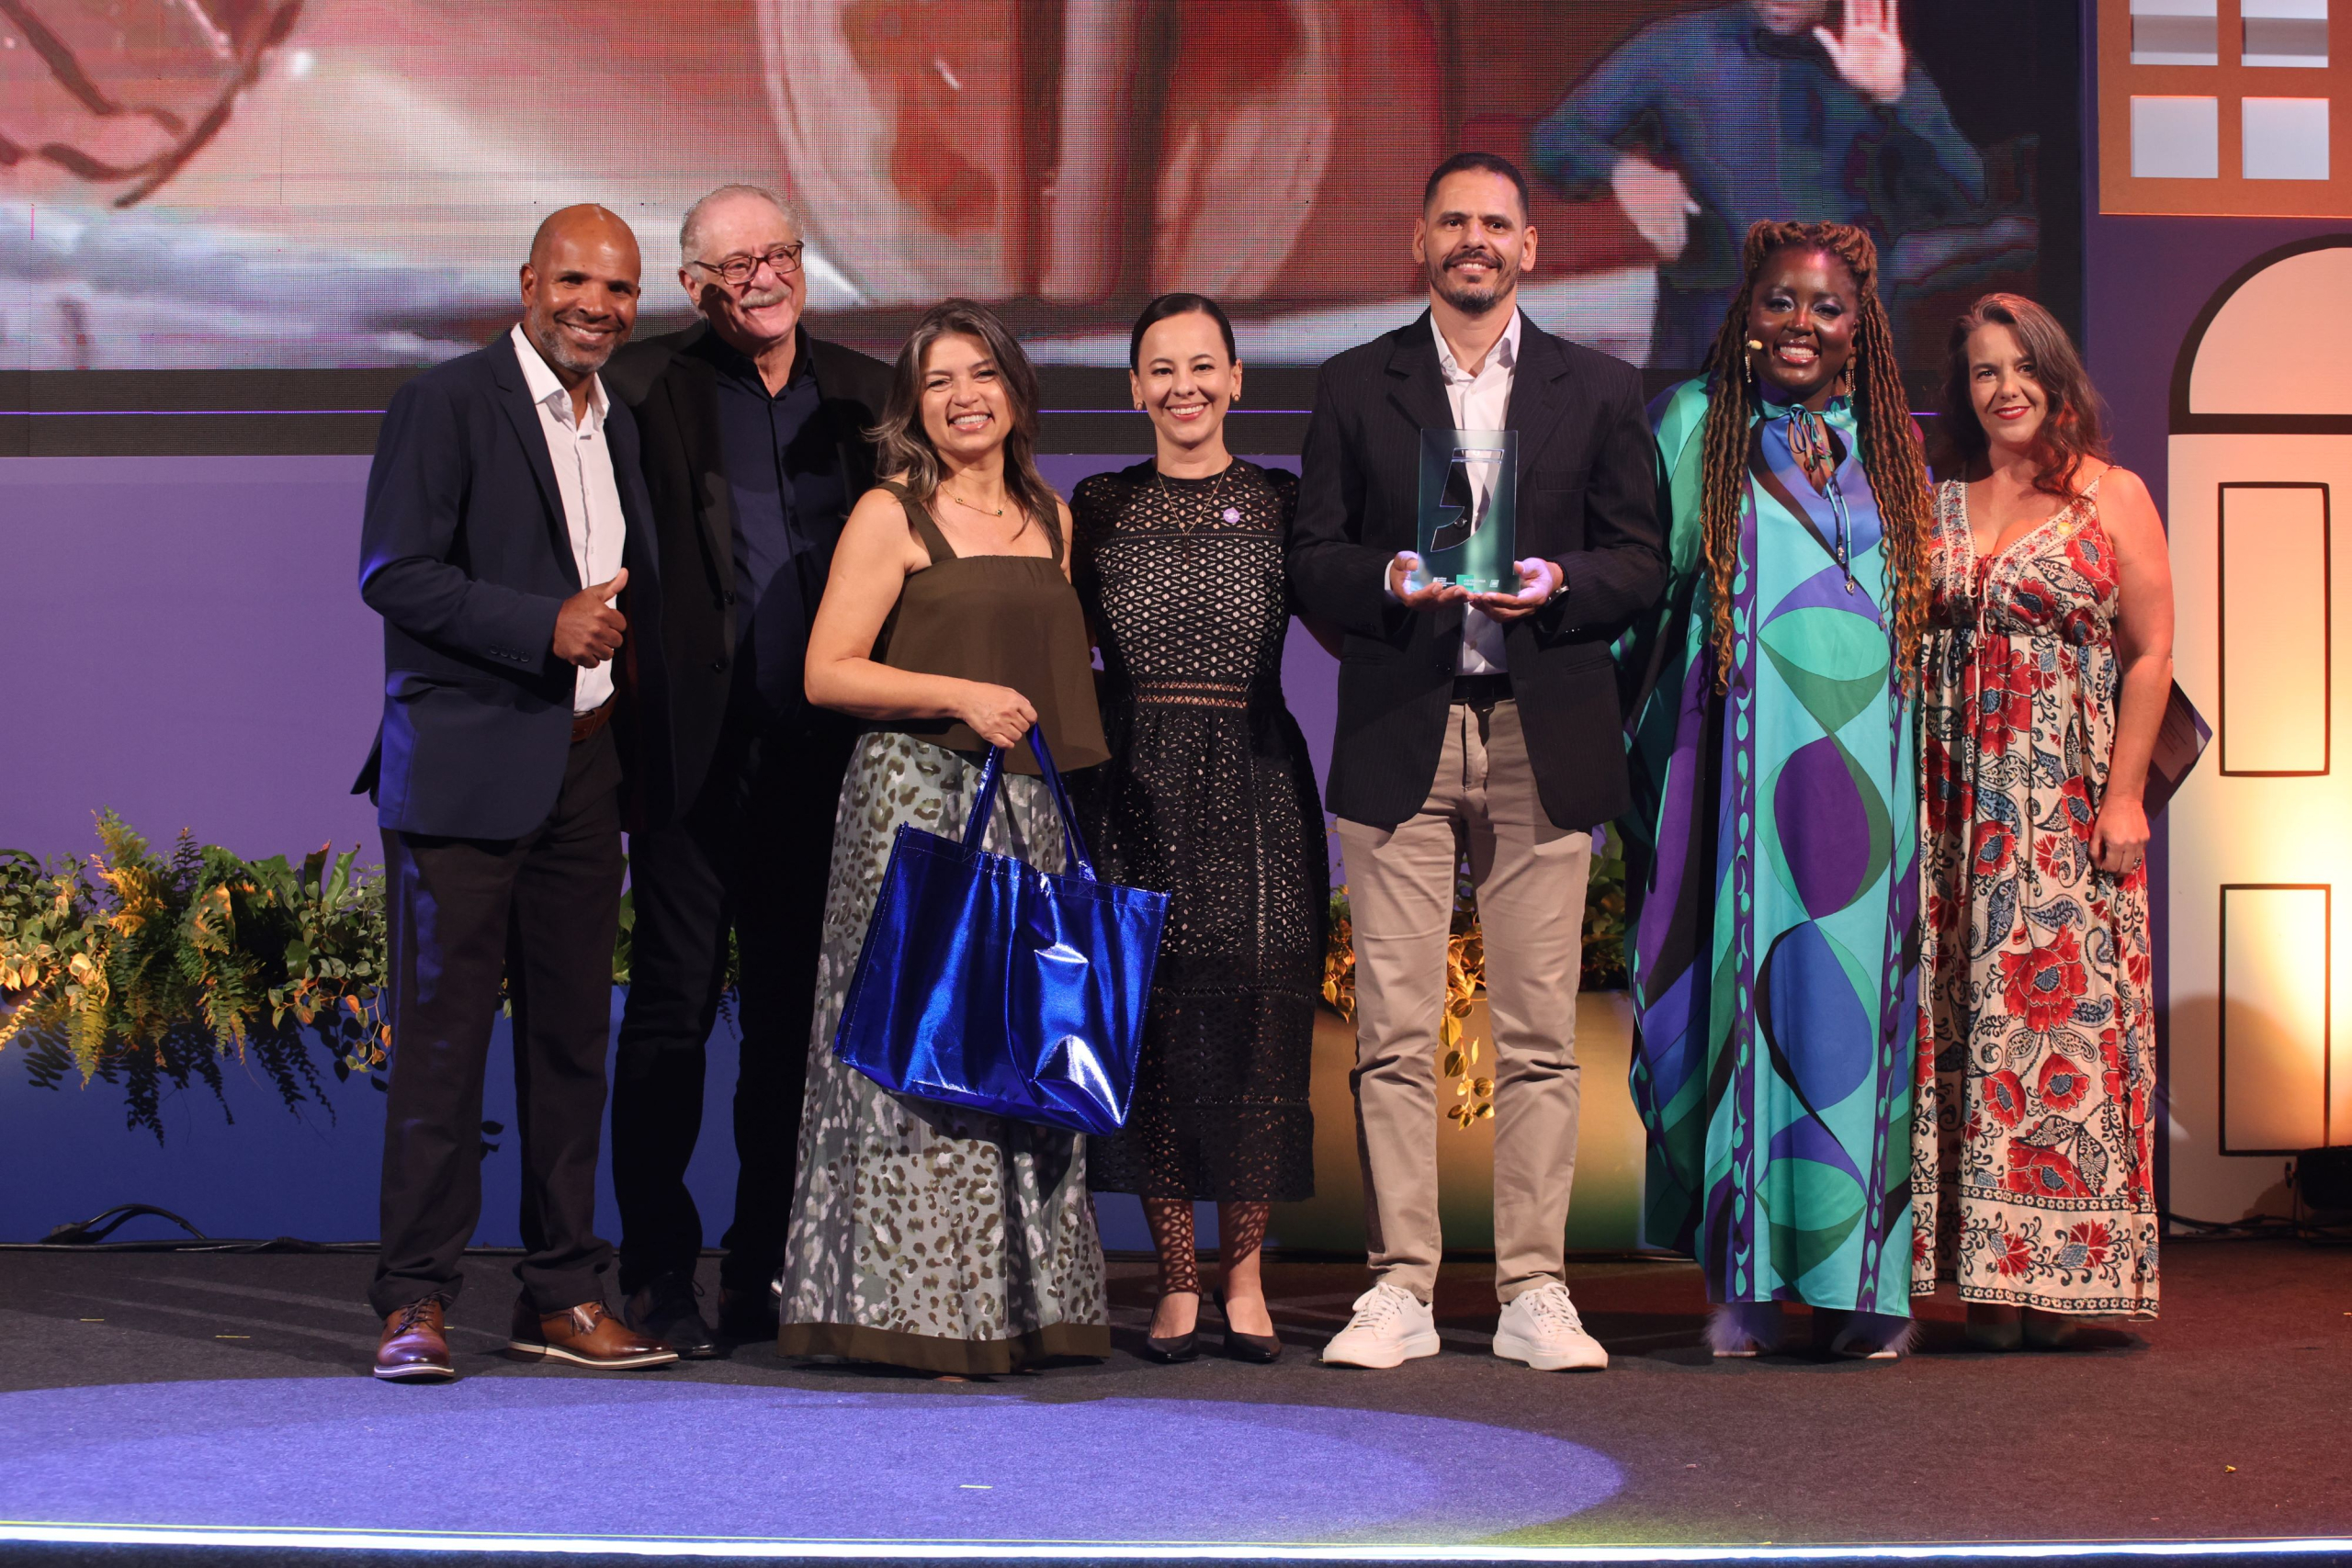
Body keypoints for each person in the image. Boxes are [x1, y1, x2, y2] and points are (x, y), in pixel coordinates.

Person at [1290, 152, 1667, 1373]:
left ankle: (1534, 1290)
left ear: (1529, 247)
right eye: (1452, 220)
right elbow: (1312, 555)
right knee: (1394, 1034)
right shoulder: (1355, 382)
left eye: (1495, 223)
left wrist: (1561, 583)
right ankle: (1398, 1286)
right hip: (1401, 720)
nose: (1474, 240)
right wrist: (1385, 578)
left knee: (1542, 1036)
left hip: (1537, 726)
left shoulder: (1598, 387)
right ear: (1419, 239)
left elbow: (1642, 560)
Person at [357, 205, 677, 1381]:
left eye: (620, 288)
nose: (597, 305)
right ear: (529, 281)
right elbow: (394, 573)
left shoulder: (618, 422)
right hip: (463, 772)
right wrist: (543, 625)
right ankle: (415, 1299)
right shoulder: (445, 402)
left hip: (584, 768)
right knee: (442, 1054)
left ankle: (563, 1295)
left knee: (570, 1047)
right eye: (576, 281)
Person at [777, 299, 1113, 1375]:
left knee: (1018, 1053)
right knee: (914, 1053)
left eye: (982, 374)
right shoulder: (893, 513)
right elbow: (827, 671)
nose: (964, 397)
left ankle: (1022, 1310)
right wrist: (958, 694)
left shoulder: (1052, 517)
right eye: (938, 382)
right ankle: (908, 1312)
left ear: (1014, 389)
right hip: (915, 805)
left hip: (1026, 812)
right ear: (912, 408)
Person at [1623, 219, 1931, 1359]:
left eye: (1827, 307)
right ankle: (1742, 1283)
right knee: (1740, 1002)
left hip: (1868, 785)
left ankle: (1866, 1286)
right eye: (1780, 302)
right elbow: (1648, 592)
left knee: (1860, 1008)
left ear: (1860, 329)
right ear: (1745, 316)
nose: (1801, 324)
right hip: (1738, 773)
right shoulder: (1697, 423)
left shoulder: (1891, 441)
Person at [600, 185, 895, 1356]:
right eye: (735, 265)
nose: (763, 278)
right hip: (689, 762)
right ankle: (656, 1271)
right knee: (670, 1018)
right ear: (691, 287)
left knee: (787, 1032)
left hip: (822, 764)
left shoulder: (871, 395)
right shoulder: (641, 389)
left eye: (780, 254)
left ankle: (762, 1265)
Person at [1069, 294, 1330, 1365]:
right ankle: (1177, 1280)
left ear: (1235, 381)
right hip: (1132, 783)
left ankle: (1246, 1277)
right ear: (1135, 388)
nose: (1183, 386)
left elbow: (1350, 621)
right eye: (1161, 368)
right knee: (1155, 1031)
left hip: (1257, 781)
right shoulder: (1098, 503)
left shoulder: (1280, 501)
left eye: (1201, 366)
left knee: (1259, 1028)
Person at [1912, 294, 2171, 1343]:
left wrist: (2124, 794)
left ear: (2056, 377)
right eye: (1984, 371)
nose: (2005, 387)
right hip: (1948, 804)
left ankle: (2058, 1277)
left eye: (2022, 367)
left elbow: (2150, 651)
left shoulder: (2113, 494)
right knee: (1960, 1018)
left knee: (2055, 1022)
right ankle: (1982, 1277)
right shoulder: (1936, 501)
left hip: (2062, 803)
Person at [1529, 0, 1982, 371]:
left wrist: (1896, 96)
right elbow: (1555, 140)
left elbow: (1965, 193)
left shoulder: (1871, 56)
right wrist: (1623, 170)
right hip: (1712, 350)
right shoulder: (1679, 49)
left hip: (1846, 360)